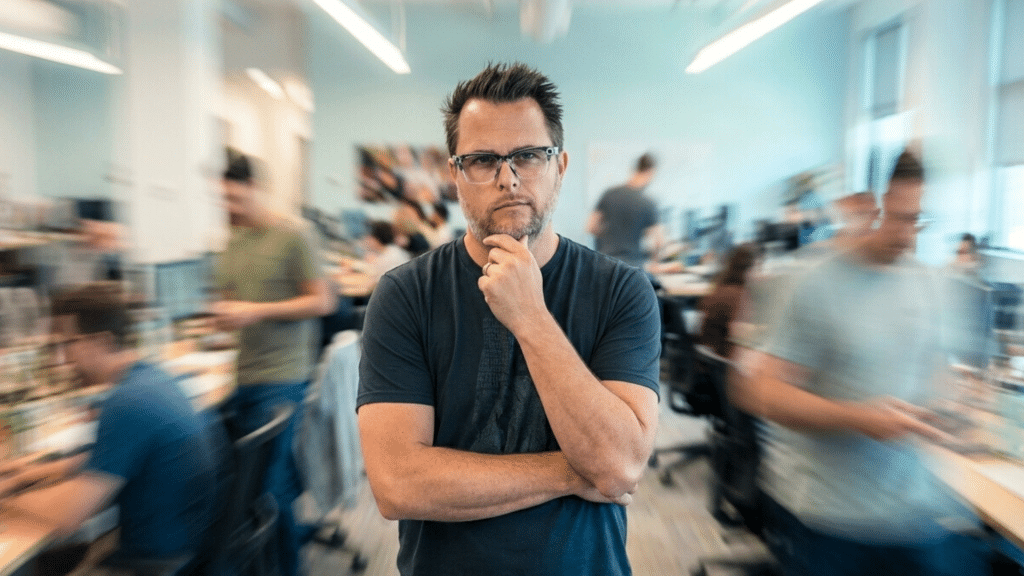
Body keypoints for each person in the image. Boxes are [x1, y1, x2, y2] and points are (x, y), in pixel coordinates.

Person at [357, 63, 661, 575]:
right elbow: (397, 483)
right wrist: (572, 473)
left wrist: (532, 319)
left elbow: (619, 466)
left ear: (560, 166)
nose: (507, 177)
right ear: (455, 175)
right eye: (481, 160)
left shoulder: (621, 291)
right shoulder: (404, 294)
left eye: (528, 155)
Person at [734, 151, 988, 575]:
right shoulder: (814, 283)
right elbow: (761, 391)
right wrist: (855, 417)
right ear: (869, 205)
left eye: (917, 220)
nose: (908, 236)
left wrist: (953, 406)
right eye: (899, 217)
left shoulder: (929, 283)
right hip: (832, 520)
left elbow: (936, 370)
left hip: (913, 513)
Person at [0, 282, 221, 572]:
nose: (61, 359)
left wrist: (10, 498)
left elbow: (70, 517)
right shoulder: (151, 378)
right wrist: (27, 473)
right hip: (180, 546)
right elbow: (105, 456)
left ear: (101, 341)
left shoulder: (126, 403)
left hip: (152, 563)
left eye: (67, 344)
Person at [213, 151, 335, 576]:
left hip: (282, 377)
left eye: (237, 200)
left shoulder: (294, 235)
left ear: (257, 190)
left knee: (270, 487)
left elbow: (322, 300)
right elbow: (231, 300)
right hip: (242, 374)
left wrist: (254, 311)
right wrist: (224, 317)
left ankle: (286, 568)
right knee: (235, 483)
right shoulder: (232, 241)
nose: (230, 208)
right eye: (224, 200)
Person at [587, 152, 664, 268]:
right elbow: (658, 242)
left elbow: (591, 227)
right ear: (650, 172)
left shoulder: (609, 194)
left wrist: (610, 237)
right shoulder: (648, 203)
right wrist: (655, 262)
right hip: (632, 267)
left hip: (605, 263)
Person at [698, 242, 760, 358]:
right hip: (726, 361)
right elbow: (741, 334)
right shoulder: (738, 296)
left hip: (709, 359)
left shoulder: (719, 287)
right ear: (748, 269)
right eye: (757, 268)